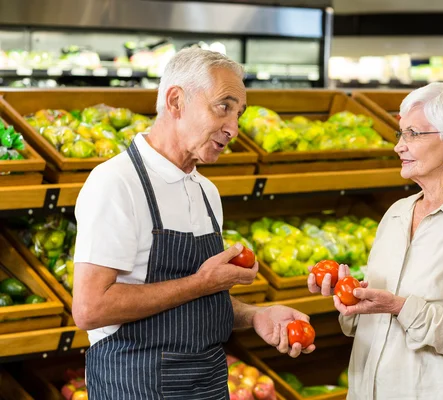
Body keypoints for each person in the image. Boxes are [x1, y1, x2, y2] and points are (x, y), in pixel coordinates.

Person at [73, 47, 314, 399]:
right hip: (136, 386)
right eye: (223, 107)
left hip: (207, 384)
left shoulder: (206, 191)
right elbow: (90, 309)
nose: (233, 128)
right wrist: (202, 283)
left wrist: (256, 316)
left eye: (239, 114)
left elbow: (195, 304)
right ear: (175, 101)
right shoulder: (116, 182)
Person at [308, 82, 443, 399]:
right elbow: (375, 318)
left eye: (413, 134)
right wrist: (353, 298)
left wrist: (398, 307)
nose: (398, 147)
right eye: (400, 134)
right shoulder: (397, 213)